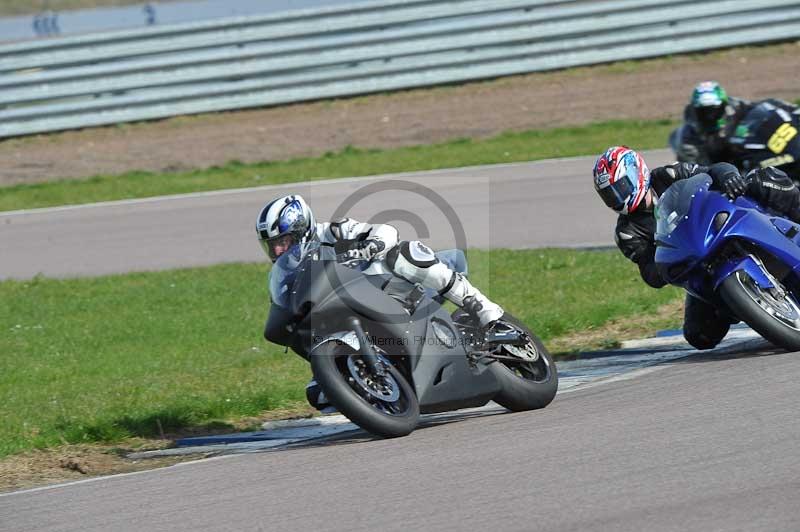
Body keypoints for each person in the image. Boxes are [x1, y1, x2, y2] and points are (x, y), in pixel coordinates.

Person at [256, 194, 505, 410]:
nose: (278, 251)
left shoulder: (332, 232)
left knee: (404, 254)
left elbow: (386, 232)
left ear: (302, 229)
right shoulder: (290, 273)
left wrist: (371, 245)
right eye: (272, 245)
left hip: (387, 287)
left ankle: (484, 311)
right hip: (347, 311)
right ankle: (358, 374)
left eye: (283, 241)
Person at [593, 146, 800, 350]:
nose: (617, 198)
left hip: (716, 225)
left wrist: (728, 176)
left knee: (763, 179)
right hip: (698, 264)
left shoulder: (668, 174)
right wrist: (662, 257)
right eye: (609, 195)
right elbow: (650, 273)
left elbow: (711, 171)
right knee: (699, 335)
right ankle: (750, 305)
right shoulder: (627, 233)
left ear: (637, 172)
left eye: (619, 188)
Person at [673, 81, 798, 167]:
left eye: (713, 109)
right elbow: (701, 170)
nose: (709, 115)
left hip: (747, 153)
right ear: (695, 110)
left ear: (723, 105)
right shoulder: (690, 137)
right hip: (724, 171)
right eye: (703, 111)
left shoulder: (735, 107)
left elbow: (761, 108)